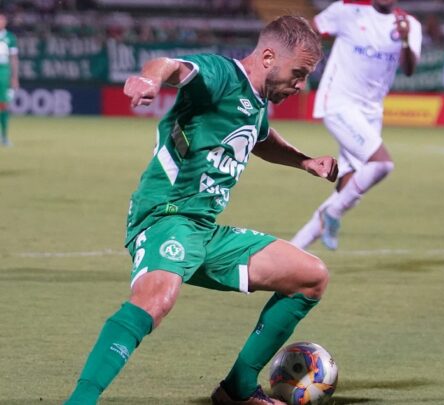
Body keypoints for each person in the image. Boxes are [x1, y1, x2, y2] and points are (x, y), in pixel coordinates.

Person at [64, 16, 338, 405]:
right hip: (166, 216)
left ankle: (237, 389)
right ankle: (80, 401)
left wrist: (305, 161)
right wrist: (150, 80)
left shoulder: (256, 103)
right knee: (155, 300)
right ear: (267, 56)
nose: (301, 84)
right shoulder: (222, 75)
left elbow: (260, 137)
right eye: (298, 73)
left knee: (311, 276)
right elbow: (173, 66)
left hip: (204, 230)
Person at [290, 0, 422, 251]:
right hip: (338, 102)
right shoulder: (347, 10)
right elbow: (310, 31)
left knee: (347, 188)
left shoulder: (409, 25)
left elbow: (409, 69)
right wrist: (301, 69)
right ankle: (333, 214)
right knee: (382, 164)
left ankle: (293, 250)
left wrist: (404, 40)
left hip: (370, 114)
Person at [0, 13, 18, 147]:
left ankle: (4, 136)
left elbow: (14, 58)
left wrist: (14, 77)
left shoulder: (10, 38)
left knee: (3, 104)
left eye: (1, 20)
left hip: (3, 72)